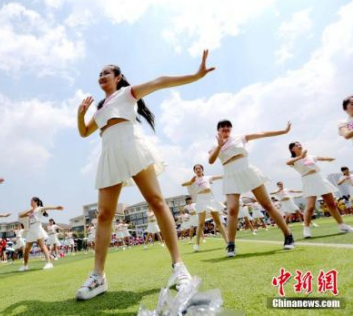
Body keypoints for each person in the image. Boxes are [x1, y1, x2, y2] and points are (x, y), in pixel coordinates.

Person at [75, 49, 215, 300]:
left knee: (157, 201)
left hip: (132, 145)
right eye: (99, 74)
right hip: (110, 152)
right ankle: (98, 276)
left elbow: (160, 81)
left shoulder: (127, 93)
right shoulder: (99, 110)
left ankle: (179, 266)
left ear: (118, 77)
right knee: (105, 214)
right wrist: (80, 114)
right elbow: (85, 132)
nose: (101, 76)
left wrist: (196, 75)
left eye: (106, 72)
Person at [208, 120, 295, 257]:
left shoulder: (239, 137)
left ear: (231, 129)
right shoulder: (214, 144)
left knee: (267, 204)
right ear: (218, 130)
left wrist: (283, 131)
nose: (225, 129)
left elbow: (263, 133)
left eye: (228, 127)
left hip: (246, 169)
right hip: (230, 173)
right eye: (222, 128)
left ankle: (288, 235)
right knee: (231, 210)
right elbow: (211, 161)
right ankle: (231, 245)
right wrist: (219, 146)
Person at [287, 142, 353, 238]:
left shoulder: (310, 156)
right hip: (308, 180)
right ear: (292, 149)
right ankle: (306, 228)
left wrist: (329, 159)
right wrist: (301, 156)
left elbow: (320, 158)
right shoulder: (294, 160)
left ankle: (342, 225)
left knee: (332, 204)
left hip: (318, 178)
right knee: (310, 206)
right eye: (296, 145)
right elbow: (288, 163)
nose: (299, 145)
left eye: (299, 144)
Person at [182, 164, 228, 252]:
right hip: (201, 201)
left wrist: (227, 174)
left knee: (218, 222)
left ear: (202, 170)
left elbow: (218, 177)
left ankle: (227, 242)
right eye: (196, 169)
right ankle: (197, 244)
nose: (198, 170)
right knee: (201, 223)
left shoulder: (207, 177)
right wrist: (191, 182)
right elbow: (183, 184)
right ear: (194, 171)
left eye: (199, 168)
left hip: (210, 199)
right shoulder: (194, 180)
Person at [18, 197, 63, 271]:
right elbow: (21, 216)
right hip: (31, 229)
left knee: (42, 246)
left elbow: (47, 207)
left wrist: (56, 207)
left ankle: (49, 263)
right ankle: (25, 266)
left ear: (35, 201)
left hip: (37, 227)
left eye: (31, 201)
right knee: (26, 249)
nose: (30, 202)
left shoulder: (39, 208)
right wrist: (29, 213)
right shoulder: (31, 210)